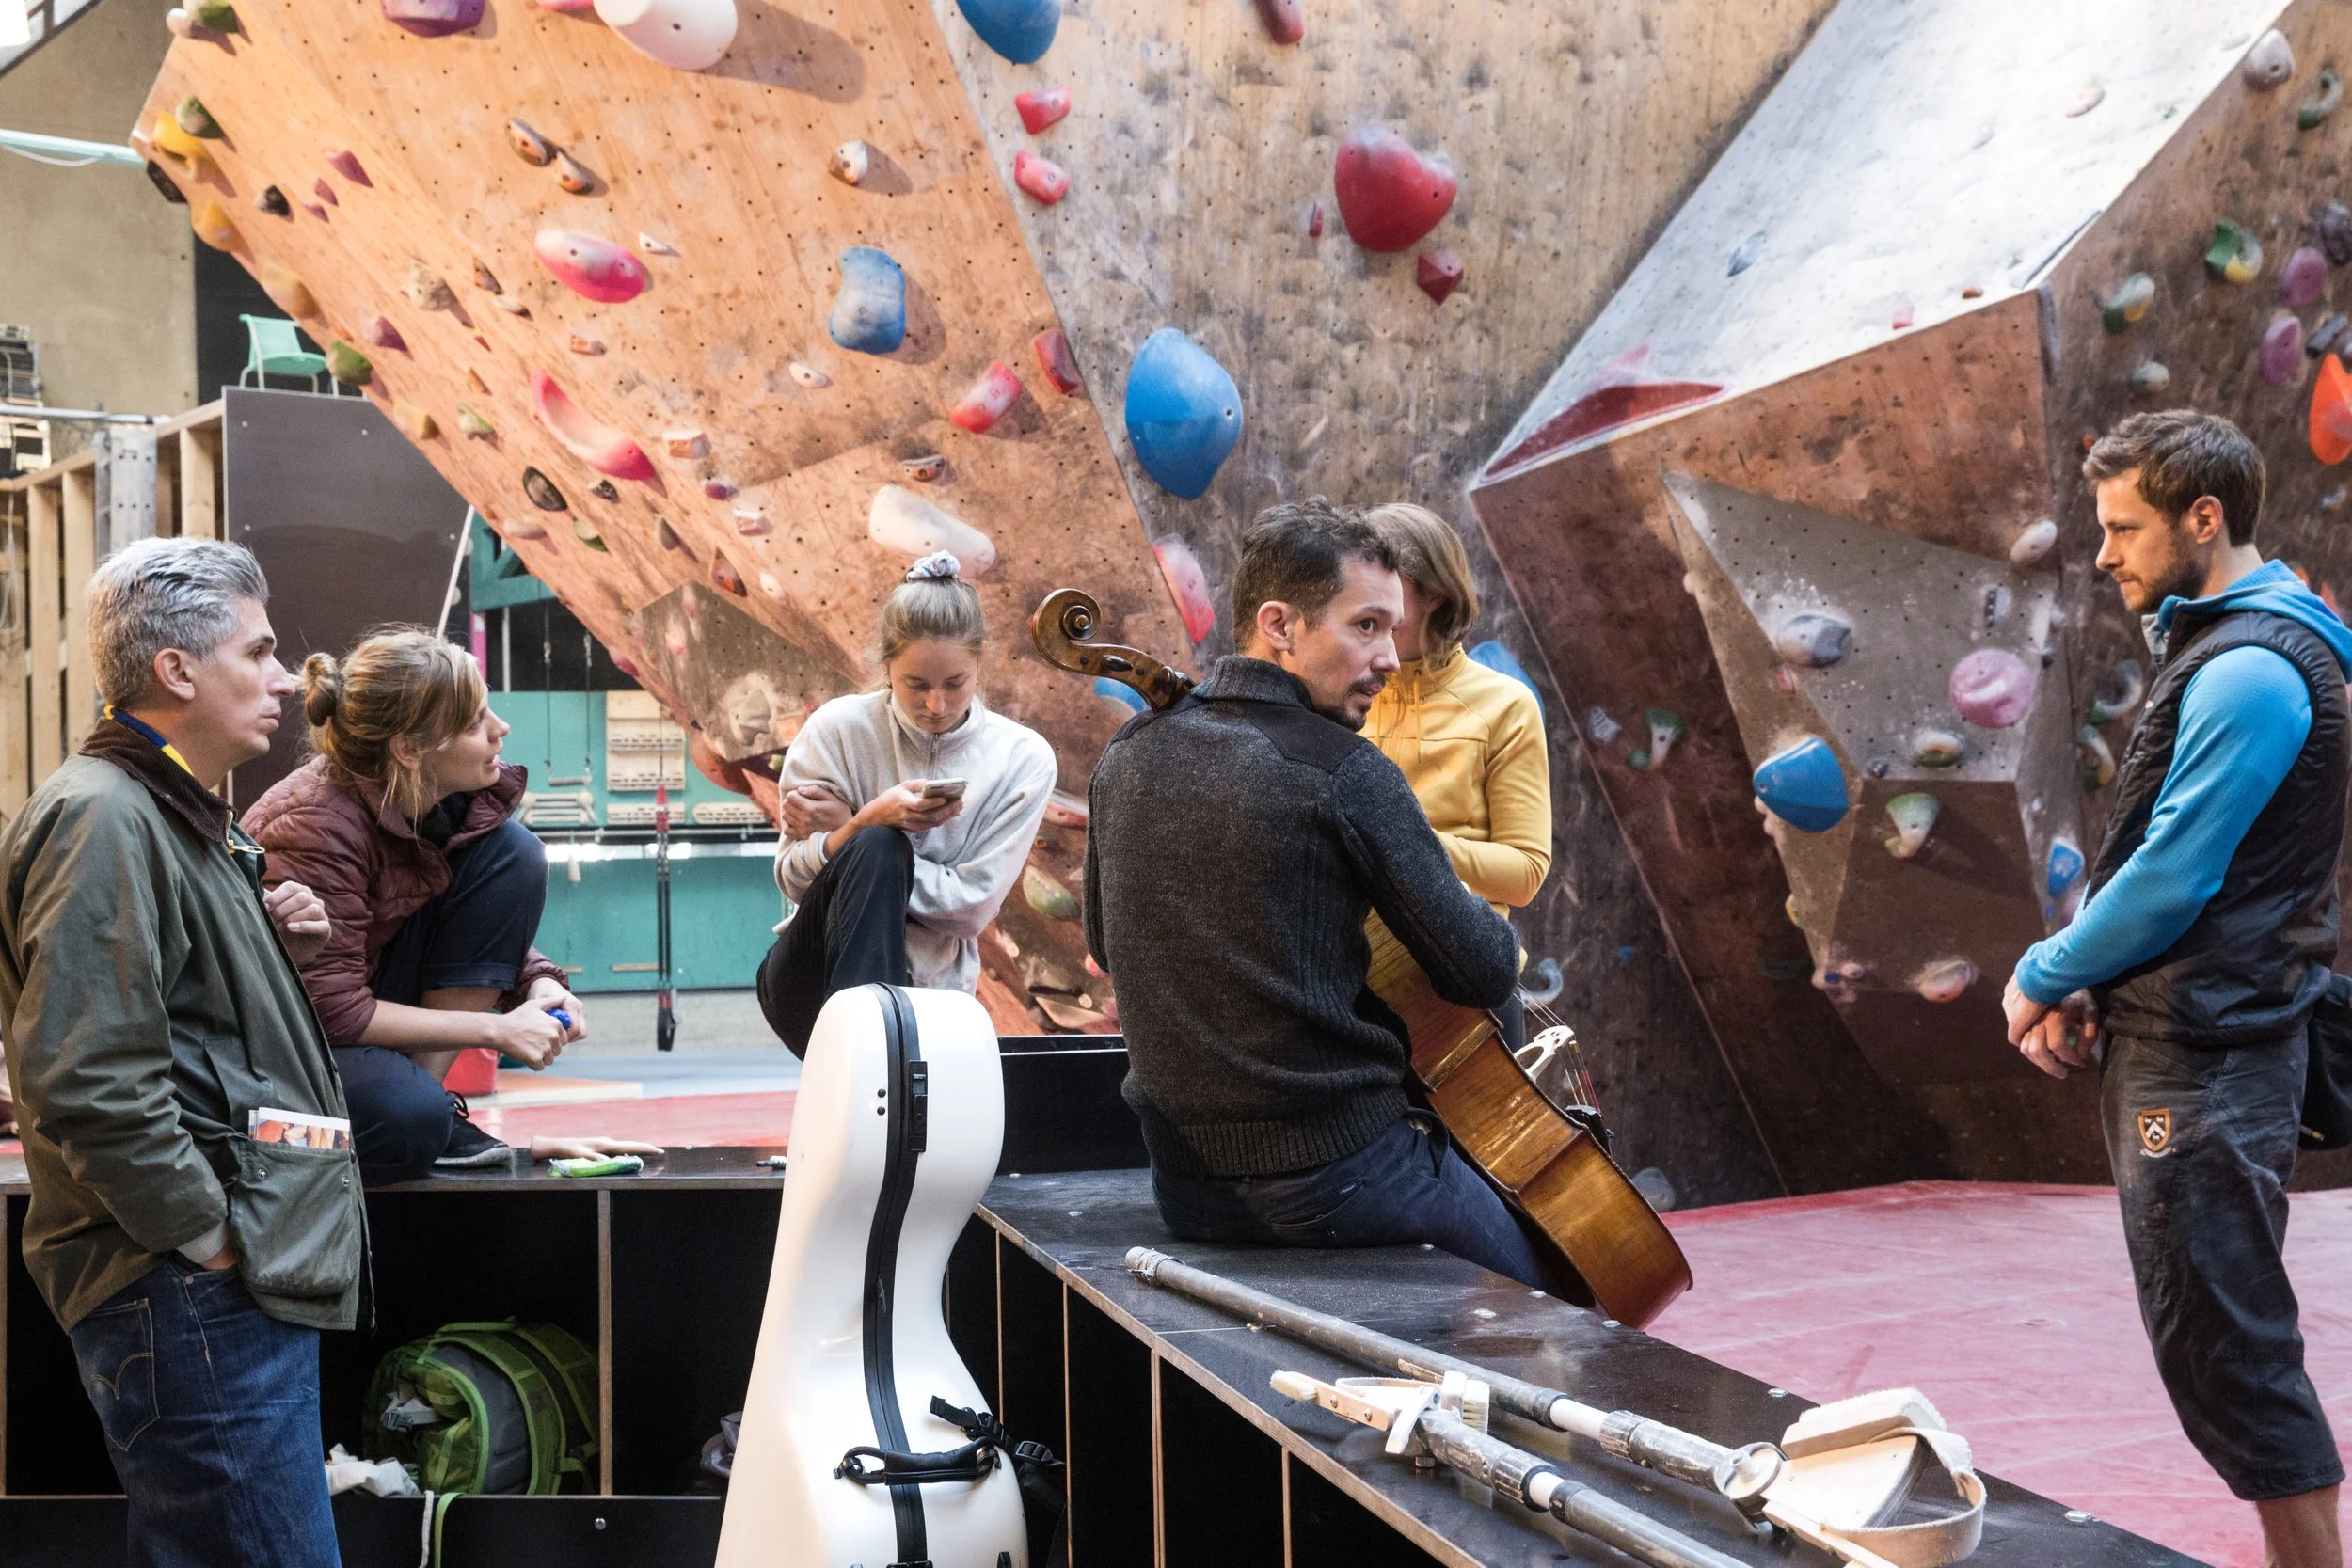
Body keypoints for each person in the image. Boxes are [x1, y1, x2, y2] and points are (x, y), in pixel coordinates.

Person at [2002, 411, 2352, 1568]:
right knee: (2220, 1339)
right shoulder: (2229, 644)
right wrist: (2095, 981)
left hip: (2209, 1058)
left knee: (2227, 1346)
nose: (2104, 553)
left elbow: (2172, 877)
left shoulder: (2250, 668)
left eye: (2125, 528)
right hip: (2197, 1032)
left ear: (2203, 519)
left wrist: (2044, 969)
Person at [0, 538, 364, 1568]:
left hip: (209, 1283)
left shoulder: (169, 813)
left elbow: (176, 1023)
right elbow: (89, 1078)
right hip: (191, 1286)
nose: (284, 678)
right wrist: (207, 1239)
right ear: (177, 669)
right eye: (258, 650)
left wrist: (270, 946)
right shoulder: (104, 818)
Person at [1085, 499, 1545, 1286]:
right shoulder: (1345, 770)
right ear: (1279, 625)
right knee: (1552, 1307)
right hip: (1341, 1173)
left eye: (1393, 628)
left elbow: (1103, 941)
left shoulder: (1128, 750)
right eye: (1365, 625)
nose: (1389, 656)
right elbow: (1484, 969)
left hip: (1185, 1185)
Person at [245, 626, 656, 1183]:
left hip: (361, 999)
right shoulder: (314, 824)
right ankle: (422, 1113)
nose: (500, 729)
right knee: (405, 1119)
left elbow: (437, 917)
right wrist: (496, 1030)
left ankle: (434, 1103)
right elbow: (334, 1012)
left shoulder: (432, 802)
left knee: (514, 852)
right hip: (288, 1046)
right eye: (473, 723)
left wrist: (537, 982)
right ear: (409, 750)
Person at [760, 553, 1057, 1055]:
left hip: (932, 995)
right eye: (915, 685)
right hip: (808, 979)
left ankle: (870, 1059)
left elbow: (971, 911)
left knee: (880, 847)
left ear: (980, 662)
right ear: (886, 667)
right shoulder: (837, 729)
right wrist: (863, 825)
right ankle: (873, 1054)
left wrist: (851, 831)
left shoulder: (1022, 759)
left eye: (955, 683)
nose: (935, 705)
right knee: (877, 844)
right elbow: (792, 877)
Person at [1362, 502, 1551, 1043]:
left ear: (1436, 595)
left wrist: (1401, 845)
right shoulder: (1339, 695)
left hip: (1463, 991)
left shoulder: (1505, 705)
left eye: (1388, 589)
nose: (1369, 608)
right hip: (1349, 993)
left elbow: (1524, 873)